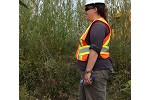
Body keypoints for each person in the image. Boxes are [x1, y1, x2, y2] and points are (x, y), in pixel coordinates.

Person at [75, 0, 113, 100]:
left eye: (87, 8)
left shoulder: (99, 26)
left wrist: (88, 72)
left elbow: (95, 50)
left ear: (95, 9)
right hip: (92, 71)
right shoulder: (95, 25)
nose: (85, 12)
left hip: (95, 71)